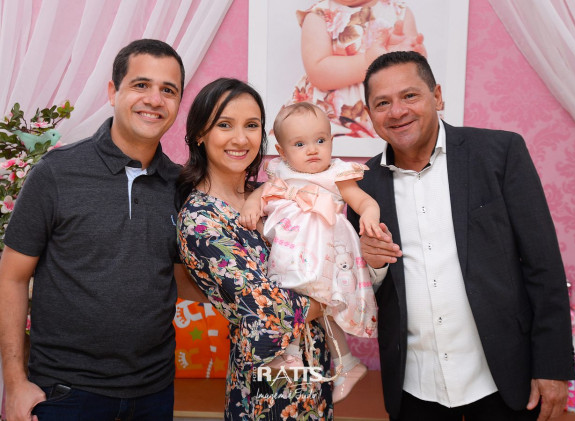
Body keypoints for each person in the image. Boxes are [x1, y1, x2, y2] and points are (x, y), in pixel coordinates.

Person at [347, 50, 574, 421]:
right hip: (415, 386)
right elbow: (363, 289)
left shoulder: (500, 154)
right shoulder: (362, 186)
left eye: (409, 96)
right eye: (382, 103)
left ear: (437, 96)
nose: (397, 111)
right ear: (370, 114)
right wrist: (373, 266)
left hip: (505, 379)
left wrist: (553, 365)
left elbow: (544, 266)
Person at [0, 39, 187, 421]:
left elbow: (180, 277)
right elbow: (11, 278)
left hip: (153, 393)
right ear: (113, 92)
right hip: (66, 393)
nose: (155, 99)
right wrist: (15, 383)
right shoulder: (55, 174)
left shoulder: (181, 186)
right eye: (141, 85)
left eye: (168, 90)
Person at [176, 78, 333, 420]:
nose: (240, 138)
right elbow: (268, 310)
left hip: (315, 372)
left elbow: (332, 247)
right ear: (200, 134)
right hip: (267, 386)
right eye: (224, 125)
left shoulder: (274, 195)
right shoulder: (201, 220)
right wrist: (336, 294)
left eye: (251, 125)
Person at [239, 102, 381, 403]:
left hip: (324, 250)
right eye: (300, 144)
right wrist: (252, 204)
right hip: (293, 249)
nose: (313, 149)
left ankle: (308, 358)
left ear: (331, 141)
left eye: (320, 140)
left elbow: (363, 201)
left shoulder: (336, 175)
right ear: (282, 151)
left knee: (312, 301)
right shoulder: (281, 173)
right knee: (294, 299)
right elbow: (262, 192)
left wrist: (369, 214)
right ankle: (341, 362)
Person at [290, 0, 426, 138]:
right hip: (331, 123)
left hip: (390, 119)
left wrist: (415, 56)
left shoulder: (400, 13)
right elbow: (318, 73)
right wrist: (367, 62)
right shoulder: (319, 16)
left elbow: (416, 72)